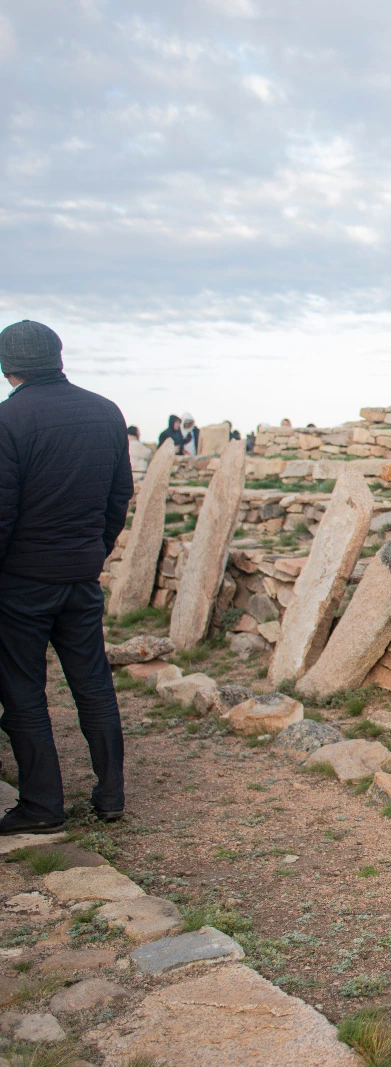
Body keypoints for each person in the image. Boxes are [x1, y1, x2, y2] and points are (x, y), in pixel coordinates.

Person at [0, 320, 132, 832]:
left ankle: (42, 806)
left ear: (8, 367)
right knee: (93, 684)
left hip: (22, 583)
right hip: (80, 576)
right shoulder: (105, 412)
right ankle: (111, 794)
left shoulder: (8, 421)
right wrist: (92, 554)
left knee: (24, 692)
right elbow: (117, 497)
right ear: (58, 357)